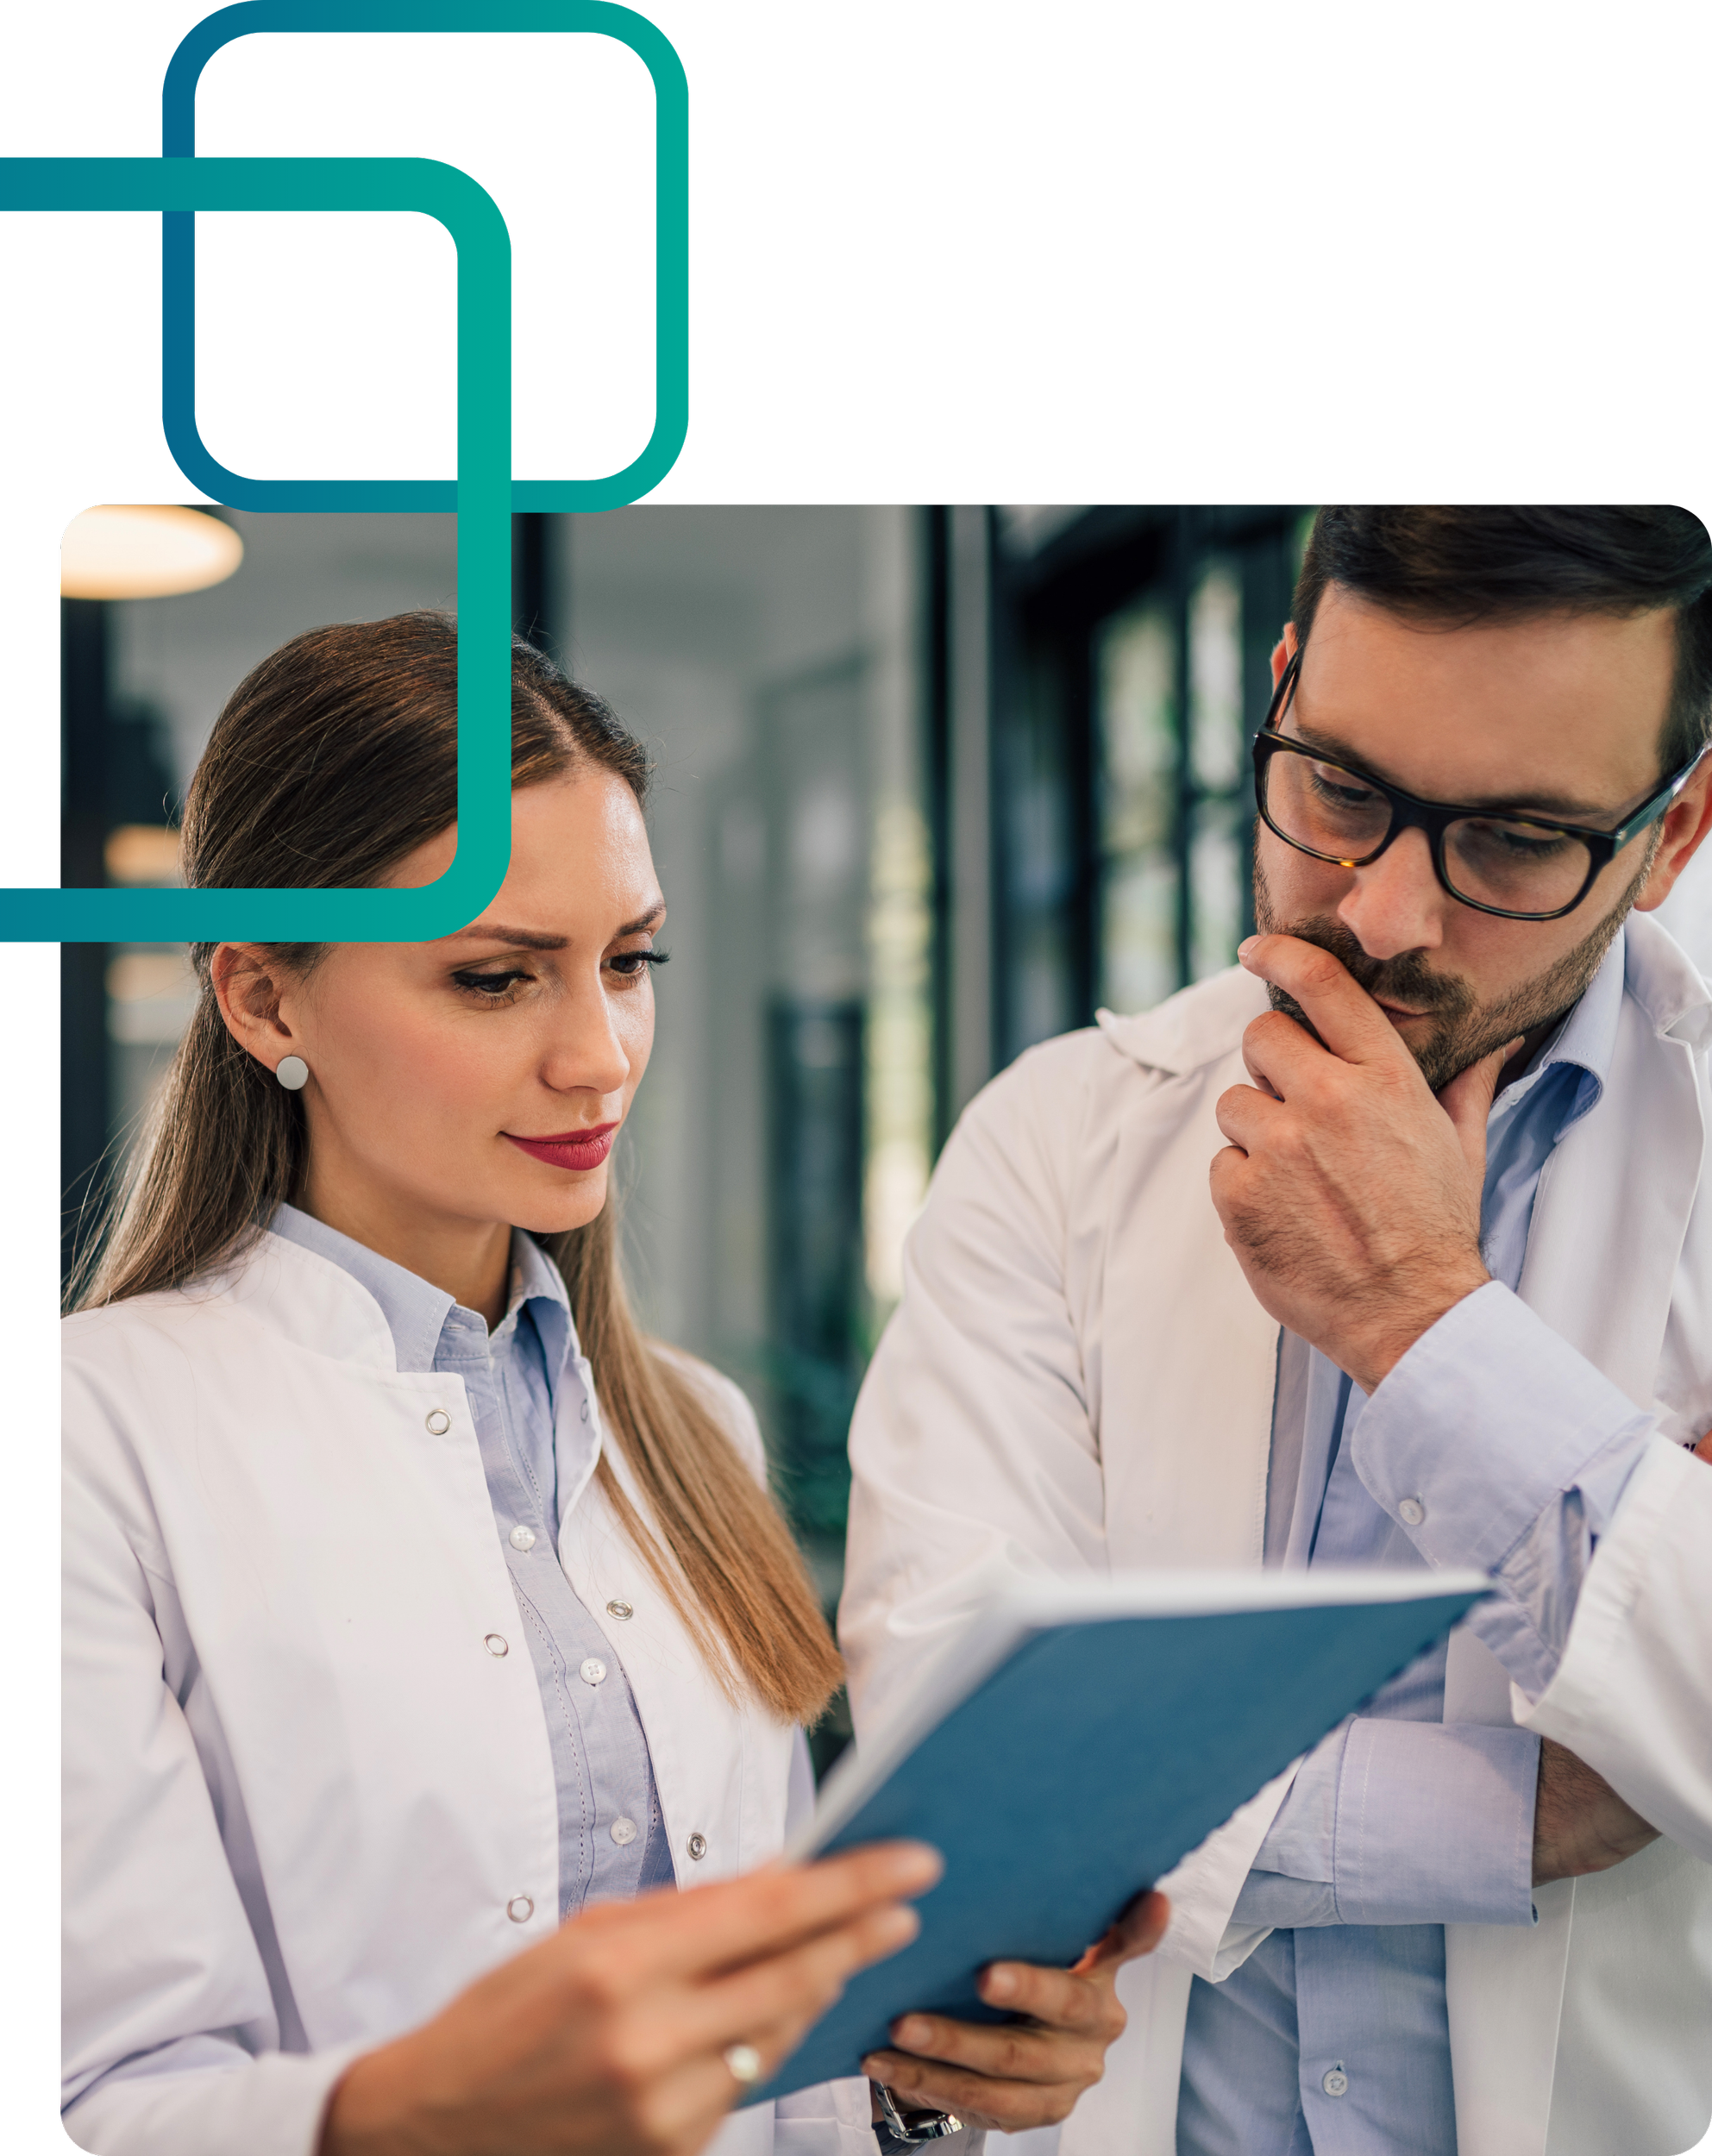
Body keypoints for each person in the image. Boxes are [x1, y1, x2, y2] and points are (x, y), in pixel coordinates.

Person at [60, 615, 1169, 2156]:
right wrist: (421, 2109)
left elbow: (772, 2067)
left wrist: (920, 2084)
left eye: (629, 963)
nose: (600, 1055)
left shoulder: (693, 1431)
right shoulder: (101, 1438)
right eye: (495, 979)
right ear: (263, 1000)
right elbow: (109, 2099)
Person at [839, 505, 1712, 2156]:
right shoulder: (1055, 1139)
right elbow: (971, 1768)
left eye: (1514, 842)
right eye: (1341, 794)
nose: (1383, 918)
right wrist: (1523, 1811)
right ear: (1282, 683)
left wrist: (1421, 1322)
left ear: (1672, 835)